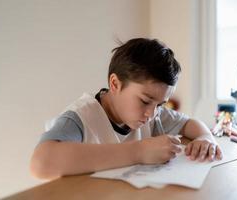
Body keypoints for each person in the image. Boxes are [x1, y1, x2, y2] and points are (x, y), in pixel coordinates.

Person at [30, 38, 222, 180]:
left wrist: (206, 138)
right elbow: (41, 163)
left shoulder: (151, 113)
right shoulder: (81, 117)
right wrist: (138, 152)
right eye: (145, 101)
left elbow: (189, 123)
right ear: (115, 84)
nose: (152, 113)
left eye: (160, 104)